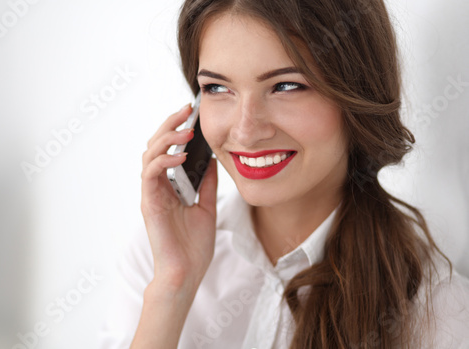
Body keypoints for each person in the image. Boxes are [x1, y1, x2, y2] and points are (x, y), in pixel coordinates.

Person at [100, 0, 469, 348]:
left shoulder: (438, 308)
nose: (245, 131)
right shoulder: (159, 258)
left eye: (286, 86)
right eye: (217, 87)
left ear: (357, 95)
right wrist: (172, 288)